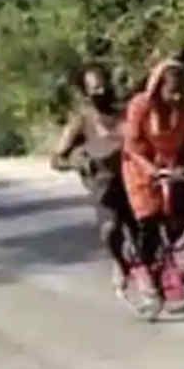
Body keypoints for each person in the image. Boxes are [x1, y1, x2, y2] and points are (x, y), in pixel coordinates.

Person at [121, 57, 184, 306]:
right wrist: (150, 170)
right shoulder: (141, 105)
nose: (177, 97)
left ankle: (180, 265)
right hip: (140, 169)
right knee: (149, 220)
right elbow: (131, 146)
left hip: (170, 167)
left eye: (182, 90)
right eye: (172, 91)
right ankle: (142, 268)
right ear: (159, 86)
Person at [50, 62, 135, 291]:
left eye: (103, 85)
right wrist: (79, 162)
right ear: (86, 92)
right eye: (95, 88)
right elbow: (56, 159)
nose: (101, 91)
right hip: (104, 185)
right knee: (110, 228)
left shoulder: (124, 112)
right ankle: (119, 262)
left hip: (133, 179)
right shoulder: (82, 120)